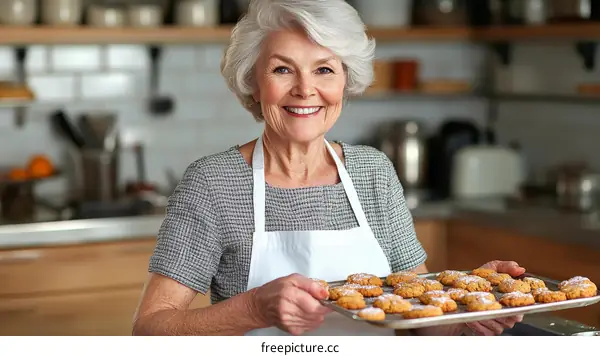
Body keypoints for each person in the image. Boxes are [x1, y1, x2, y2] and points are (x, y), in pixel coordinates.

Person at [132, 0, 523, 336]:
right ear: (253, 81)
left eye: (324, 69)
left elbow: (416, 315)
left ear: (345, 81)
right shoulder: (214, 183)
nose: (305, 89)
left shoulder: (373, 172)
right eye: (282, 69)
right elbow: (150, 330)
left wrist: (470, 304)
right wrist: (254, 310)